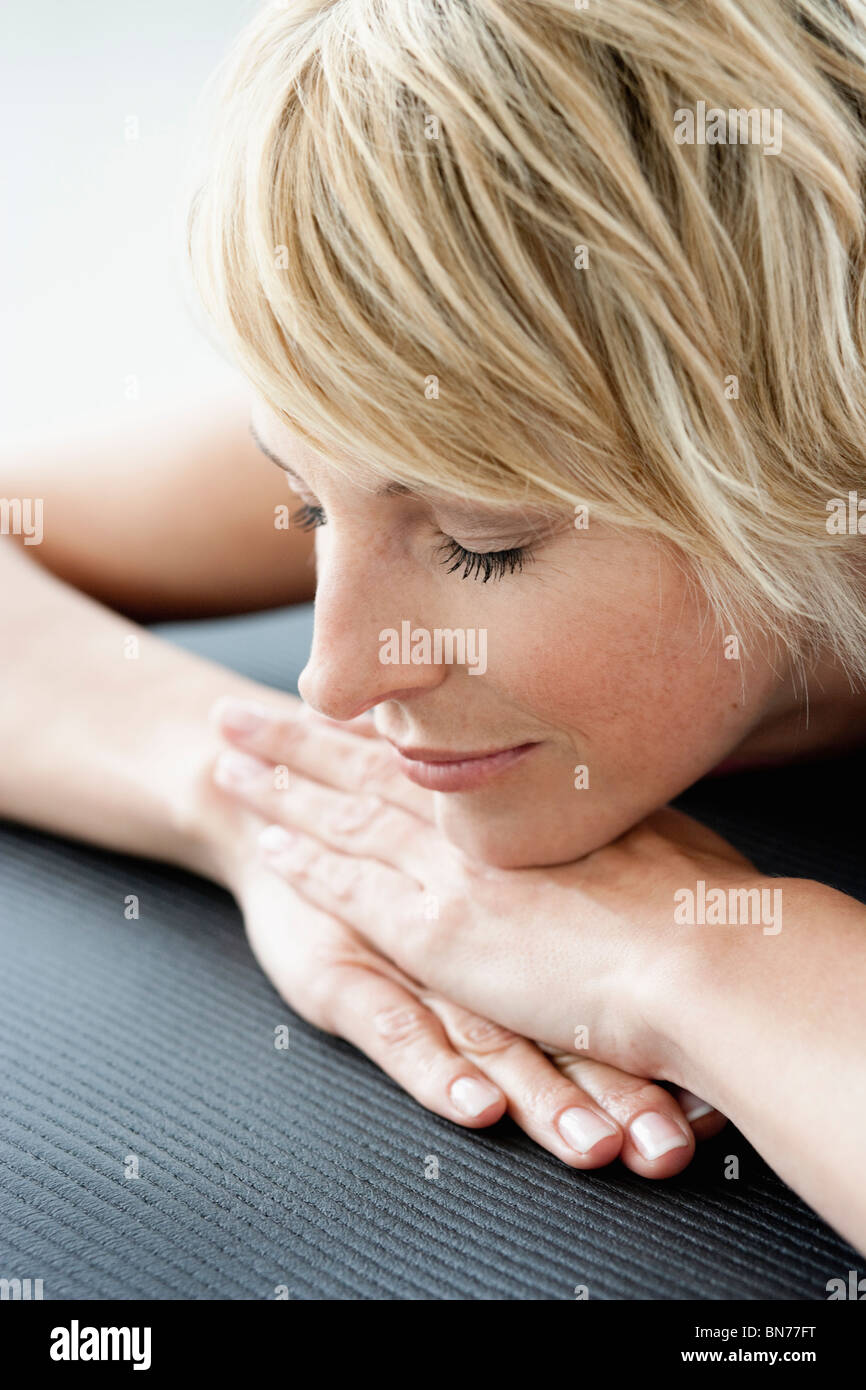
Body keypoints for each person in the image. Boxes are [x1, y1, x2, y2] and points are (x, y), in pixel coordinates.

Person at [2, 0, 865, 1253]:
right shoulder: (431, 418)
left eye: (482, 544)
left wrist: (706, 965)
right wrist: (277, 803)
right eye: (303, 504)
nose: (331, 678)